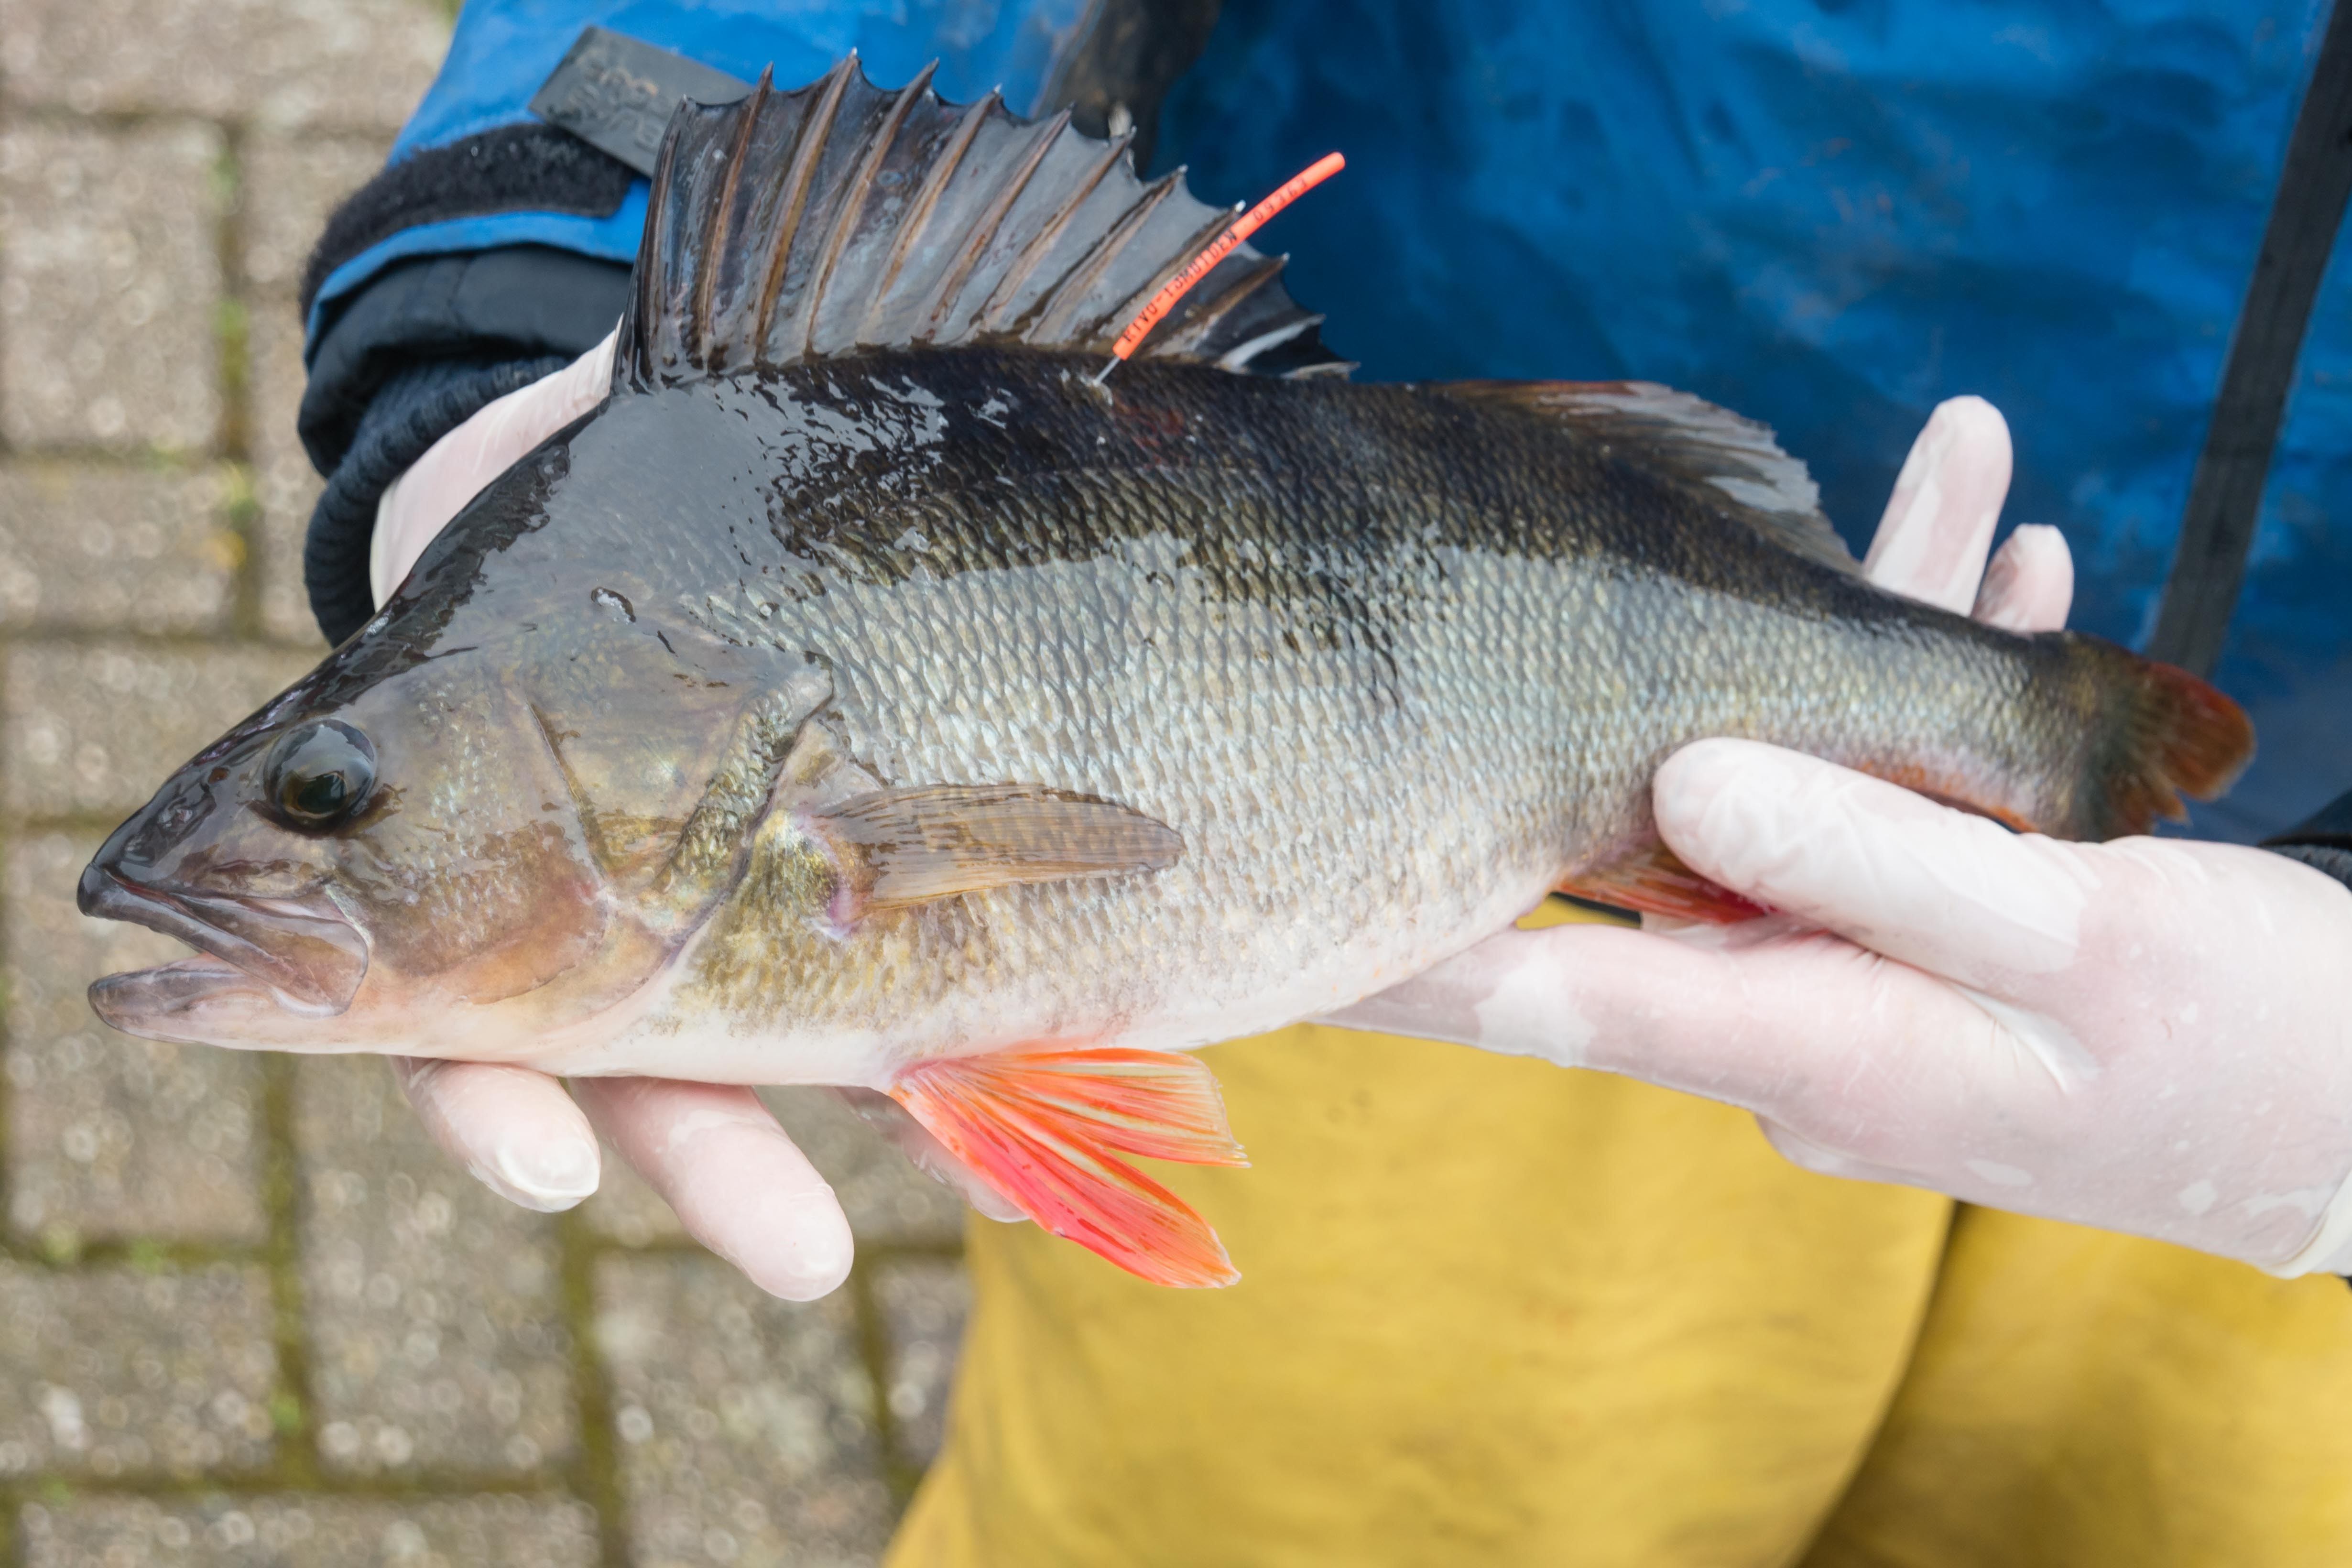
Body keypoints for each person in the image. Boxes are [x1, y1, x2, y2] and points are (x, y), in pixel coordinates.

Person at [294, 1, 2352, 1559]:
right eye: (339, 796)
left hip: (2303, 987)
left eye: (336, 797)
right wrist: (544, 298)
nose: (315, 834)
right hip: (1430, 957)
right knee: (1344, 1491)